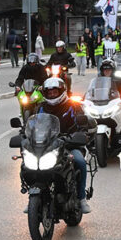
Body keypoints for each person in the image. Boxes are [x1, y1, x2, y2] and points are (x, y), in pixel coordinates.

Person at [38, 77, 90, 214]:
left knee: (79, 162)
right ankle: (35, 196)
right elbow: (32, 125)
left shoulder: (73, 106)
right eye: (49, 93)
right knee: (28, 164)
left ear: (61, 91)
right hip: (46, 145)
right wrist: (25, 134)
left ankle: (81, 198)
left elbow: (82, 124)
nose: (52, 95)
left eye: (54, 92)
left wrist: (80, 134)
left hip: (69, 144)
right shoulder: (41, 107)